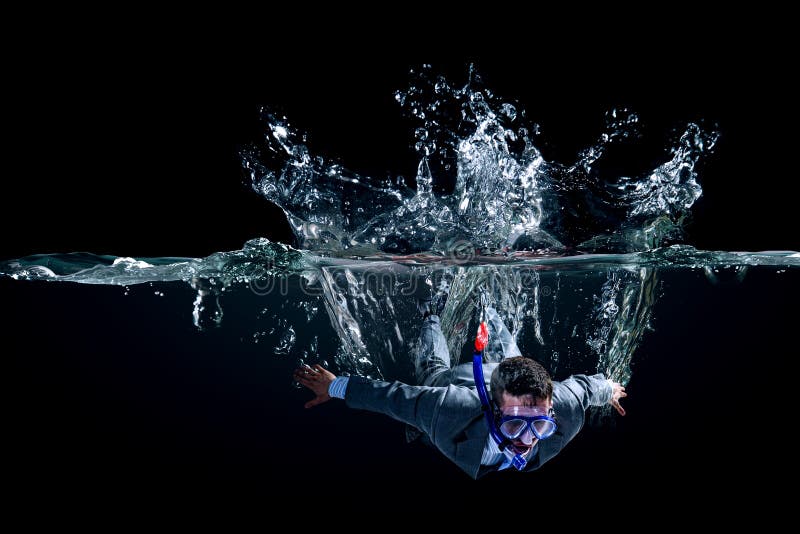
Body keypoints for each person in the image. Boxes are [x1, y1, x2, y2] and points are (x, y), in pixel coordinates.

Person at [294, 295, 627, 479]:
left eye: (539, 424)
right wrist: (335, 386)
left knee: (511, 353)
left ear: (551, 413)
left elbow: (586, 387)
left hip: (508, 371)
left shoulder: (564, 405)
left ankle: (488, 303)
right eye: (513, 424)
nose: (526, 442)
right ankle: (431, 314)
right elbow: (392, 397)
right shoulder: (445, 407)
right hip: (459, 381)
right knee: (432, 370)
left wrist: (609, 389)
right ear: (493, 408)